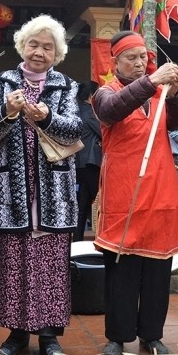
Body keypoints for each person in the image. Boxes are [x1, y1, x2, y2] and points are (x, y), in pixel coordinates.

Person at [0, 14, 82, 355]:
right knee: (14, 261)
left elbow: (75, 130)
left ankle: (50, 336)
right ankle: (17, 333)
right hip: (13, 191)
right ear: (23, 46)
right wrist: (8, 113)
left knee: (51, 262)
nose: (39, 52)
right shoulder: (3, 82)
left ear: (58, 53)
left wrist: (47, 118)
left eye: (48, 47)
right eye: (34, 44)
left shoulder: (66, 86)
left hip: (54, 193)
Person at [92, 31, 178, 355]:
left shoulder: (158, 92)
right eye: (130, 57)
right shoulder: (105, 93)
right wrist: (153, 82)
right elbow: (111, 111)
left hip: (160, 191)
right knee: (122, 268)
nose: (139, 63)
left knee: (158, 270)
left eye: (143, 57)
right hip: (124, 193)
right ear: (115, 61)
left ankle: (152, 334)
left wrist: (174, 92)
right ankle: (117, 338)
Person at [74, 80, 101, 242]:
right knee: (100, 202)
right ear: (92, 96)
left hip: (79, 164)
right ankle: (103, 239)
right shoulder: (91, 114)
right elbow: (105, 134)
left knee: (82, 206)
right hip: (91, 163)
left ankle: (77, 241)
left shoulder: (76, 111)